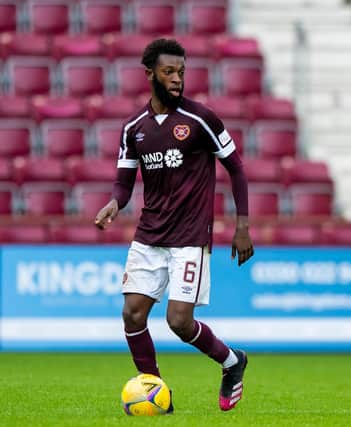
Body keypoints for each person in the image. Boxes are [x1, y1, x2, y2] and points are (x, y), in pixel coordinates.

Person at [94, 38, 254, 412]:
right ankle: (156, 392)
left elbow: (237, 168)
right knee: (132, 313)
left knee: (179, 322)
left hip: (189, 237)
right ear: (149, 74)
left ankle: (233, 362)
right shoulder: (133, 128)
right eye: (168, 71)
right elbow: (124, 182)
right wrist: (115, 203)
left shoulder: (201, 119)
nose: (177, 78)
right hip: (150, 236)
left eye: (181, 71)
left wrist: (242, 225)